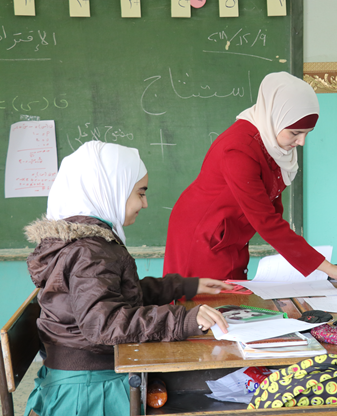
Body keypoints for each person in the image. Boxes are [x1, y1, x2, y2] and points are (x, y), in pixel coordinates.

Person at [23, 141, 232, 416]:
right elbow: (105, 324)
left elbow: (117, 294)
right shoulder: (89, 252)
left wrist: (183, 285)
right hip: (90, 393)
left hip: (88, 376)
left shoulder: (89, 244)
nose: (144, 204)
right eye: (140, 193)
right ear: (110, 189)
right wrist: (183, 320)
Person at [164, 71, 337, 293]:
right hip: (203, 234)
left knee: (233, 299)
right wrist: (327, 268)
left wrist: (306, 262)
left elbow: (272, 210)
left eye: (308, 133)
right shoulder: (239, 149)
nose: (301, 142)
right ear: (275, 116)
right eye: (295, 133)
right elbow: (266, 220)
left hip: (231, 231)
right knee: (208, 306)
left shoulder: (273, 144)